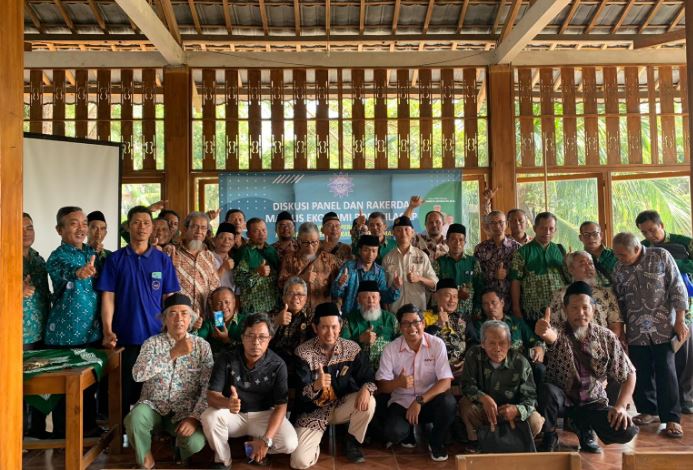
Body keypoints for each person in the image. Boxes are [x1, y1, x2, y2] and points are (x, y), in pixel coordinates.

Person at [97, 205, 180, 419]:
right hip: (123, 336)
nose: (141, 227)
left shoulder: (162, 260)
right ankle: (120, 438)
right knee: (123, 391)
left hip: (156, 338)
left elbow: (169, 299)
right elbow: (108, 297)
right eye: (136, 222)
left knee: (154, 390)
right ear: (128, 226)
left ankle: (151, 434)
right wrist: (107, 330)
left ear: (152, 227)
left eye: (146, 222)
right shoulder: (115, 260)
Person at [535, 281, 638, 453]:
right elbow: (552, 337)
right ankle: (550, 434)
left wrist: (620, 406)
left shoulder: (607, 337)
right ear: (565, 310)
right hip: (563, 401)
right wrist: (545, 333)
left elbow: (629, 374)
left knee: (626, 430)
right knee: (547, 390)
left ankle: (584, 427)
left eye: (585, 307)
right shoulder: (559, 331)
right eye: (574, 308)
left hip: (592, 402)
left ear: (593, 309)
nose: (580, 313)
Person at [612, 232, 689, 438]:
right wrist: (621, 330)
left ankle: (672, 418)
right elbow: (618, 300)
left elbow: (677, 288)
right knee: (641, 370)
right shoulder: (619, 267)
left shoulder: (660, 256)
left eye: (622, 254)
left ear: (636, 249)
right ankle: (648, 410)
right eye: (616, 254)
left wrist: (680, 320)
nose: (619, 258)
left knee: (666, 370)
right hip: (636, 329)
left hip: (663, 326)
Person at [124, 293, 213, 469]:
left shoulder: (202, 346)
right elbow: (137, 374)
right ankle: (147, 460)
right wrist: (172, 353)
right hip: (153, 406)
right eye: (172, 313)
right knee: (134, 419)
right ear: (164, 319)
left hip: (185, 411)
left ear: (191, 319)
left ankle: (179, 450)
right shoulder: (152, 343)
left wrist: (194, 418)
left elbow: (207, 387)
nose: (179, 318)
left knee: (195, 443)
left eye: (184, 313)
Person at [201, 313, 298, 469]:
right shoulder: (226, 358)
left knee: (290, 443)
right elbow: (211, 396)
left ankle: (256, 445)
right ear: (242, 337)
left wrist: (266, 440)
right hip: (233, 414)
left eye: (262, 337)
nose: (256, 342)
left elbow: (281, 406)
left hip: (263, 414)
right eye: (250, 336)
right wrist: (227, 403)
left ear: (270, 338)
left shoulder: (278, 364)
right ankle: (223, 460)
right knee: (209, 417)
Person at [291, 302, 377, 468]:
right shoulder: (303, 353)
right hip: (312, 412)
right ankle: (315, 440)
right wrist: (316, 385)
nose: (329, 333)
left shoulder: (352, 349)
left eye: (334, 327)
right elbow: (301, 395)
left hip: (341, 406)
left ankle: (352, 441)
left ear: (340, 326)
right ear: (315, 328)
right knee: (299, 462)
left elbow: (368, 376)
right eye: (324, 327)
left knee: (369, 402)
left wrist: (367, 388)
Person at [376, 303, 456, 461]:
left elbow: (446, 382)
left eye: (416, 322)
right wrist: (398, 383)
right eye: (406, 323)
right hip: (402, 402)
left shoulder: (436, 344)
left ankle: (435, 441)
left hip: (429, 400)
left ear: (423, 324)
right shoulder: (390, 349)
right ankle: (408, 433)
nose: (411, 327)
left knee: (449, 403)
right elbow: (382, 386)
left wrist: (419, 401)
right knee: (395, 432)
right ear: (400, 327)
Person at [636, 209, 693, 414]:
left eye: (652, 230)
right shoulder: (641, 249)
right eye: (645, 232)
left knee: (686, 356)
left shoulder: (684, 242)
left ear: (662, 226)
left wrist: (671, 263)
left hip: (684, 307)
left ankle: (685, 399)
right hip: (655, 312)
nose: (650, 236)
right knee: (663, 359)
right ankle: (663, 402)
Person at [459, 320, 544, 445]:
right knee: (465, 406)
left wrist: (517, 409)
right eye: (492, 343)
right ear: (483, 344)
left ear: (510, 344)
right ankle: (479, 441)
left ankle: (513, 444)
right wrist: (483, 398)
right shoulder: (473, 355)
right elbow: (466, 385)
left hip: (511, 415)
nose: (498, 349)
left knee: (535, 420)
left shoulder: (521, 362)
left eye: (502, 343)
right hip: (485, 411)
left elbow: (531, 398)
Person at [45, 206, 101, 346]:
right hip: (65, 335)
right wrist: (78, 272)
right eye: (74, 224)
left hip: (94, 332)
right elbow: (66, 269)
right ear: (60, 230)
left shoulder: (91, 252)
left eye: (84, 224)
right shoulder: (57, 256)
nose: (81, 229)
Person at [469, 288, 545, 385]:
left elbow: (534, 340)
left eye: (494, 302)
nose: (490, 307)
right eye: (485, 304)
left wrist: (539, 347)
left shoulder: (516, 322)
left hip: (520, 364)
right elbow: (478, 350)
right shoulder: (479, 326)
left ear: (502, 303)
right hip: (493, 366)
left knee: (539, 369)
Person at [548, 251, 624, 340]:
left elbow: (616, 324)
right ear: (571, 269)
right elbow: (553, 327)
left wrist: (605, 344)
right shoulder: (560, 295)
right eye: (582, 264)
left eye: (591, 263)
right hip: (570, 347)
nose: (589, 267)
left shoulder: (606, 294)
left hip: (602, 346)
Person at [510, 211, 568, 328]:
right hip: (534, 310)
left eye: (551, 229)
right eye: (543, 228)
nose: (547, 232)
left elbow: (569, 277)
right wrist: (516, 308)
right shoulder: (522, 252)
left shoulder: (560, 249)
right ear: (535, 228)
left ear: (555, 230)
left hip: (560, 308)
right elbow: (515, 281)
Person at [166, 212, 220, 332]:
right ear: (185, 228)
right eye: (194, 226)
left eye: (203, 228)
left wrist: (220, 324)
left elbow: (216, 294)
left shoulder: (209, 256)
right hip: (177, 324)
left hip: (204, 326)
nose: (199, 231)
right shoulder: (171, 252)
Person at [278, 222, 340, 314]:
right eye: (306, 243)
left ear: (319, 240)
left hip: (322, 315)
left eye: (314, 242)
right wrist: (301, 278)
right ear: (299, 241)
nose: (310, 247)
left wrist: (336, 310)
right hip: (297, 314)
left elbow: (337, 291)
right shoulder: (289, 259)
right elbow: (281, 284)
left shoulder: (330, 260)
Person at [331, 234, 401, 315]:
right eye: (366, 250)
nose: (370, 254)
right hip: (350, 316)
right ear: (359, 251)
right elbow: (335, 293)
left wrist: (395, 287)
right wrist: (340, 284)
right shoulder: (349, 268)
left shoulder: (379, 271)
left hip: (371, 316)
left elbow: (384, 297)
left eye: (374, 251)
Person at [382, 215, 438, 312]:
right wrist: (394, 286)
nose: (403, 233)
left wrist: (419, 278)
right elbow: (383, 290)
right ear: (393, 233)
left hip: (418, 313)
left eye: (406, 229)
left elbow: (434, 284)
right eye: (399, 230)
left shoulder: (422, 256)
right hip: (395, 313)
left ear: (412, 232)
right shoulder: (388, 258)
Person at [341, 280, 399, 371]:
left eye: (374, 297)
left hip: (388, 369)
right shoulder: (349, 320)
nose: (371, 301)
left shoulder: (390, 319)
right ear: (358, 300)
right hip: (358, 371)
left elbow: (402, 343)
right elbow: (341, 348)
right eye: (366, 297)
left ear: (379, 298)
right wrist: (359, 339)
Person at [474, 210, 521, 310]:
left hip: (512, 300)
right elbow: (477, 276)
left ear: (506, 224)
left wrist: (507, 274)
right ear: (488, 226)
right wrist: (493, 275)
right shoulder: (480, 248)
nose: (497, 226)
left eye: (500, 222)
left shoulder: (517, 248)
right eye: (493, 223)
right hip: (488, 303)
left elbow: (521, 275)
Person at [433, 223, 482, 316]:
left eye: (461, 240)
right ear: (447, 241)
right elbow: (435, 290)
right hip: (445, 314)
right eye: (453, 239)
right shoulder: (439, 263)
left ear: (465, 242)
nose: (457, 243)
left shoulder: (473, 262)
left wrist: (477, 311)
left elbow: (479, 288)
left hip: (468, 314)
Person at [234, 218, 281, 314]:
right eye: (256, 231)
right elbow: (238, 279)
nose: (261, 233)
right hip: (253, 308)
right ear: (248, 234)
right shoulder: (245, 252)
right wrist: (257, 272)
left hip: (272, 307)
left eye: (264, 230)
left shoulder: (272, 250)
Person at [269, 277, 314, 374]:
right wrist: (276, 322)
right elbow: (262, 337)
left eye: (300, 294)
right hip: (276, 360)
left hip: (302, 362)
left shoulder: (312, 316)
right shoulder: (274, 314)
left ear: (306, 298)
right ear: (283, 297)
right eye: (290, 293)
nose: (295, 298)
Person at [423, 278, 467, 376]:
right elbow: (419, 342)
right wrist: (438, 325)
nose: (452, 300)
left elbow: (474, 341)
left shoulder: (463, 319)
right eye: (448, 295)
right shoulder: (424, 317)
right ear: (435, 296)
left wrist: (467, 362)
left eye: (455, 296)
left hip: (461, 370)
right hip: (433, 372)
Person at [22, 212, 50, 349]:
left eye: (29, 228)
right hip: (17, 335)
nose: (25, 233)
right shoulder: (4, 259)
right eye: (19, 229)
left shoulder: (39, 259)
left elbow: (44, 293)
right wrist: (16, 291)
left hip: (43, 332)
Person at [403, 195, 449, 261]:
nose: (434, 225)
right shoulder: (417, 240)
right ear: (425, 225)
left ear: (443, 224)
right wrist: (411, 207)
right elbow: (404, 227)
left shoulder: (449, 242)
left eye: (437, 222)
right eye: (430, 222)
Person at [201, 286, 243, 354]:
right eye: (219, 303)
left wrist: (226, 339)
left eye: (227, 302)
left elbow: (247, 348)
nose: (223, 307)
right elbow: (197, 340)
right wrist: (195, 329)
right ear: (213, 306)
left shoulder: (245, 321)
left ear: (234, 303)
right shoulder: (210, 323)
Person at [579, 221, 617, 287]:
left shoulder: (616, 255)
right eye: (586, 234)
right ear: (580, 238)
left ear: (601, 235)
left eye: (595, 234)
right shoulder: (578, 259)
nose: (591, 237)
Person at [211, 222, 238, 293]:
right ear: (214, 239)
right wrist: (223, 267)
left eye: (230, 239)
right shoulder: (207, 258)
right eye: (222, 237)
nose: (226, 241)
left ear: (233, 242)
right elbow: (207, 283)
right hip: (212, 299)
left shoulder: (235, 260)